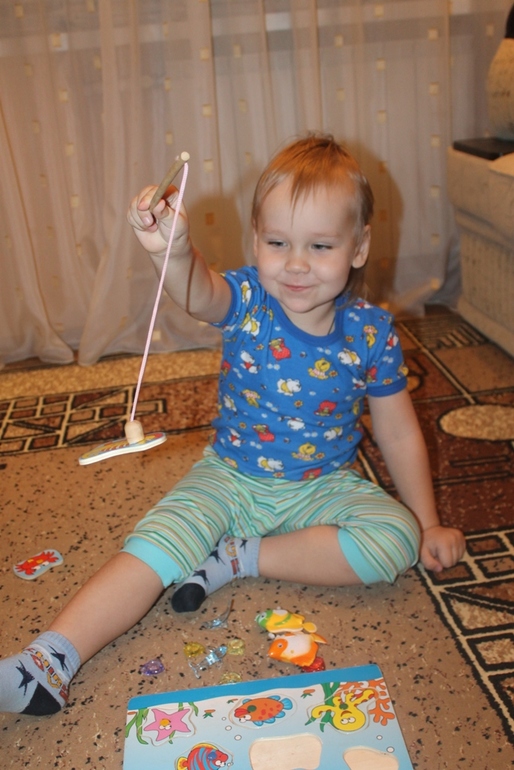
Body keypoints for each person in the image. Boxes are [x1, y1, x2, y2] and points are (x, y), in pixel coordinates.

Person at [0, 133, 466, 717]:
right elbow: (200, 295)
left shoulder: (373, 332)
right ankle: (47, 663)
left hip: (323, 486)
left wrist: (428, 522)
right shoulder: (248, 300)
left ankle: (240, 557)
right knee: (156, 544)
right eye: (277, 242)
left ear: (359, 247)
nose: (296, 263)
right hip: (229, 477)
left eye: (320, 245)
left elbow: (397, 433)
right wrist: (171, 253)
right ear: (255, 240)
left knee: (396, 538)